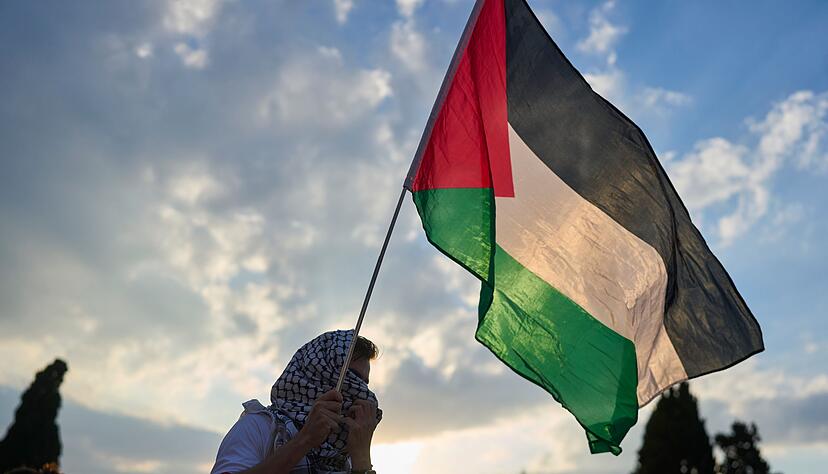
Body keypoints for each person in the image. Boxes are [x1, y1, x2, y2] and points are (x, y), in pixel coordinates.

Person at [210, 330, 381, 474]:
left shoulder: (346, 455)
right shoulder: (260, 427)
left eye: (364, 384)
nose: (362, 391)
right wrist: (305, 439)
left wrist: (362, 459)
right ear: (317, 372)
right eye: (353, 377)